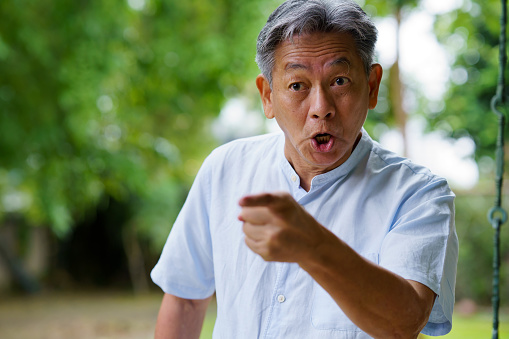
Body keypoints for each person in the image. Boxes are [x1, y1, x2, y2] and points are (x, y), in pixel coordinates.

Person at [151, 0, 458, 338]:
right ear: (268, 96)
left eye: (339, 81)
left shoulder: (419, 194)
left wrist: (312, 245)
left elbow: (404, 323)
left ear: (371, 86)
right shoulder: (225, 169)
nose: (321, 108)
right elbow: (185, 301)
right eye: (297, 86)